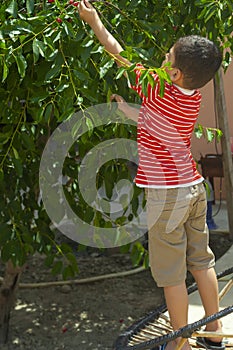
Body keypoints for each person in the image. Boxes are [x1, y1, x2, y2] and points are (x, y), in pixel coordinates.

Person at [78, 1, 224, 349]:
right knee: (201, 261)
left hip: (167, 196)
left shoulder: (156, 87)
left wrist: (93, 19)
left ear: (173, 74)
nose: (162, 59)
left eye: (167, 58)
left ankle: (180, 343)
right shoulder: (191, 96)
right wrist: (128, 110)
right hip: (192, 188)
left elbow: (117, 52)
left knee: (171, 275)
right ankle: (215, 333)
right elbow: (156, 122)